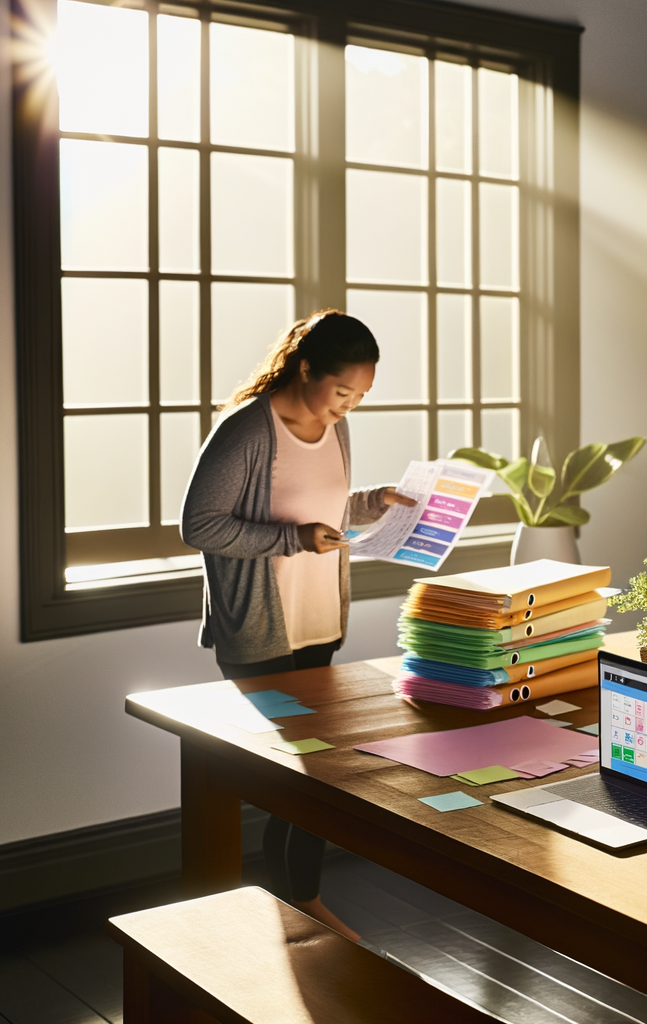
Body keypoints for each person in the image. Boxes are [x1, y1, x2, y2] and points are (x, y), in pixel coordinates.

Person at [180, 309, 415, 941]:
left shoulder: (333, 428)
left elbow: (323, 507)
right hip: (260, 630)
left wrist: (374, 503)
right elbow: (200, 525)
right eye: (342, 392)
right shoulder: (246, 431)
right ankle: (287, 909)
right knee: (299, 779)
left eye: (360, 396)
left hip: (318, 623)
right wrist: (294, 540)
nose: (348, 407)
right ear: (305, 367)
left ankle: (293, 904)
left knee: (316, 776)